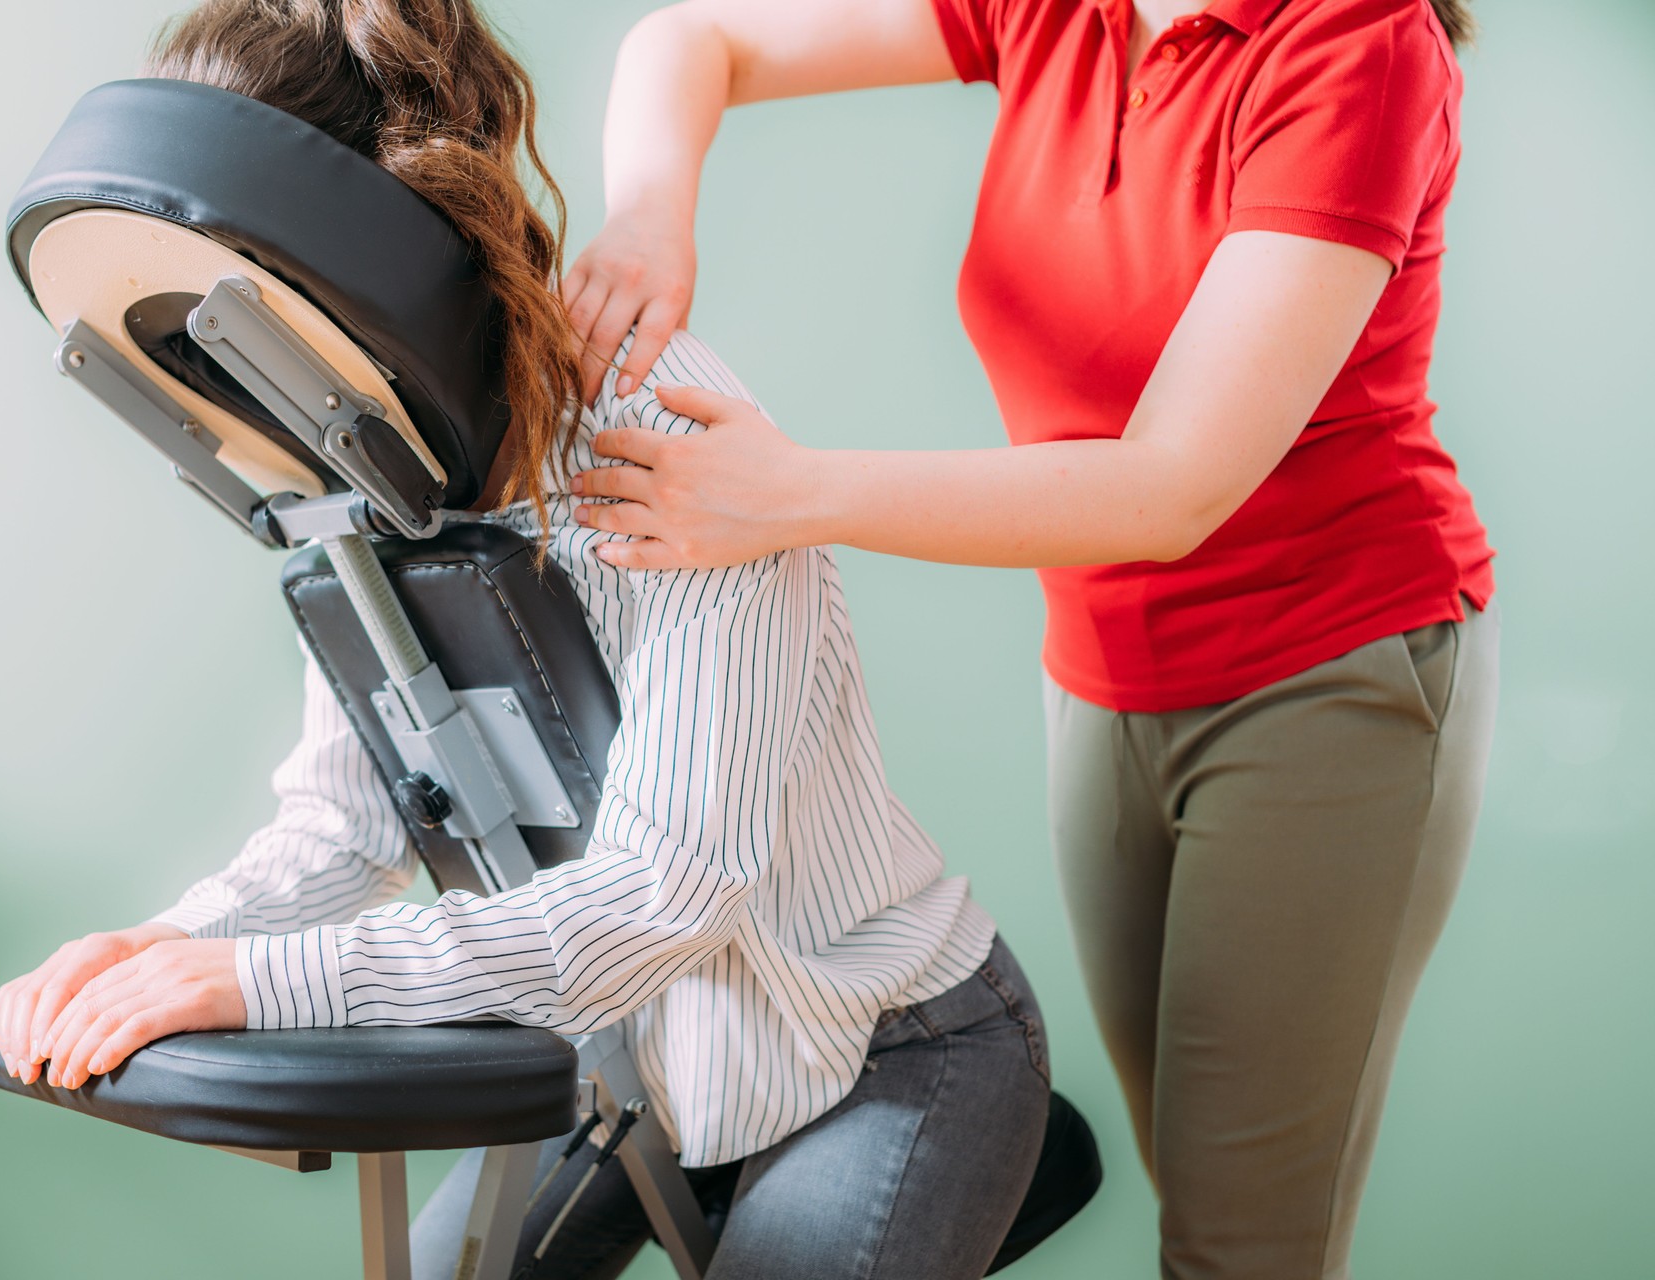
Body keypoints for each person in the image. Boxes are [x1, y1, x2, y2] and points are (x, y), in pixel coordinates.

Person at [0, 3, 1053, 1276]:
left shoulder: (669, 434)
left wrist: (259, 983)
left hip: (883, 1041)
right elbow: (348, 829)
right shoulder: (364, 462)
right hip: (640, 1056)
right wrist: (173, 944)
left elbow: (667, 893)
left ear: (362, 251)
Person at [560, 1, 1498, 1277]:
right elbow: (689, 39)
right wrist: (649, 211)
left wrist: (790, 492)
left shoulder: (1358, 47)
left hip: (1329, 678)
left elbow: (1172, 486)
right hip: (1103, 677)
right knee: (1198, 1190)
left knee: (1243, 1250)